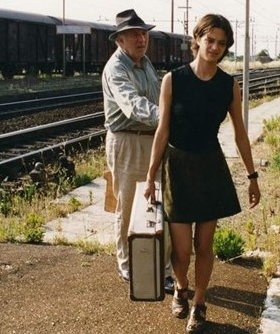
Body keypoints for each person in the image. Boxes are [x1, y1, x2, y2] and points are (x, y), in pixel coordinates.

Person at [144, 14, 261, 333]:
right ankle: (180, 288)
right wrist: (152, 174)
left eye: (222, 43)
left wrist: (252, 177)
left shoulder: (228, 85)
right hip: (177, 168)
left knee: (204, 245)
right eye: (210, 40)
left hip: (210, 168)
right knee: (181, 249)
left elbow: (239, 134)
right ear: (197, 40)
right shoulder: (174, 79)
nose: (215, 47)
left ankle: (198, 303)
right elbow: (163, 130)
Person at [102, 9, 174, 293]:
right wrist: (170, 117)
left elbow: (157, 98)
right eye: (135, 34)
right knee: (129, 204)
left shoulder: (145, 64)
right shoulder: (116, 69)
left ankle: (162, 268)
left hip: (153, 138)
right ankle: (128, 266)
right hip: (127, 140)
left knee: (161, 203)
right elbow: (132, 105)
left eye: (144, 33)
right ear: (120, 40)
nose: (142, 38)